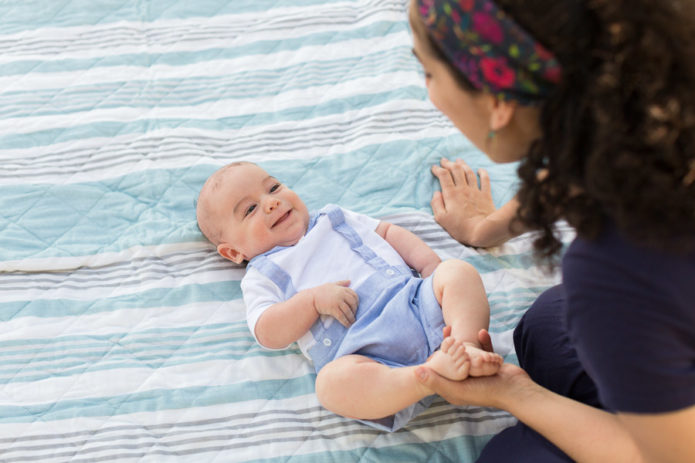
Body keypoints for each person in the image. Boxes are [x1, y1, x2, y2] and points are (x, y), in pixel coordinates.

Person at [408, 0, 695, 461]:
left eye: (428, 73)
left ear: (499, 100)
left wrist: (515, 395)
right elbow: (583, 150)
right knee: (546, 329)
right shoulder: (661, 89)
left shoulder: (612, 275)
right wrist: (487, 227)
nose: (431, 95)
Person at [195, 161, 503, 431]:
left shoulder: (333, 218)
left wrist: (430, 267)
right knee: (330, 386)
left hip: (413, 304)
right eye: (249, 209)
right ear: (234, 252)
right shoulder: (262, 274)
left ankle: (464, 346)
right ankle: (425, 376)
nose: (271, 203)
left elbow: (387, 233)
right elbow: (267, 331)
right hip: (365, 355)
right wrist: (312, 301)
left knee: (457, 272)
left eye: (273, 188)